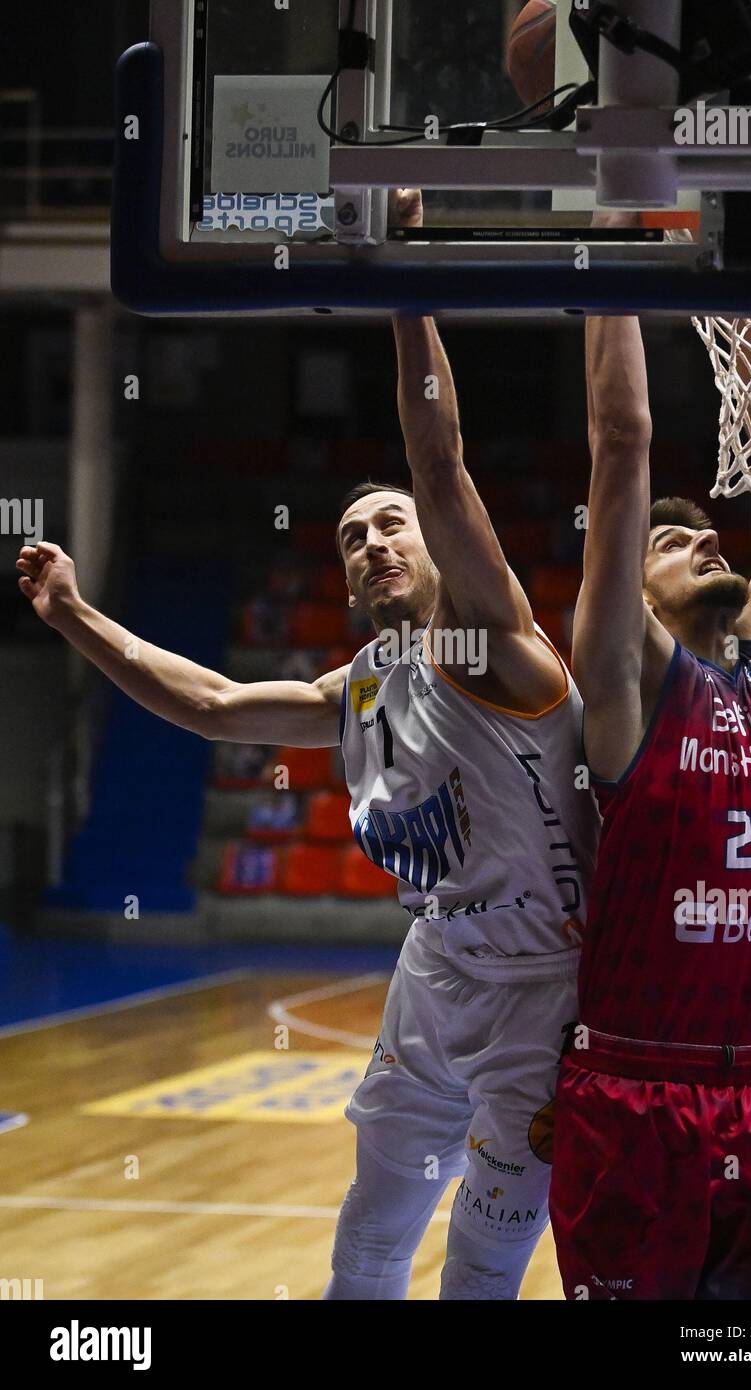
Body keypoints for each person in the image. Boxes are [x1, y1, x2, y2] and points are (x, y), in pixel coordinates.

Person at [18, 191, 599, 1301]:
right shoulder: (359, 686)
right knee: (364, 1254)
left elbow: (437, 458)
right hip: (433, 978)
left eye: (390, 525)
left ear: (440, 550)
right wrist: (73, 616)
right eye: (351, 536)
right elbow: (214, 706)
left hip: (544, 989)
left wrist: (395, 279)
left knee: (479, 1273)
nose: (373, 541)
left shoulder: (493, 645)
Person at [549, 266, 751, 1299]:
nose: (705, 537)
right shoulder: (625, 684)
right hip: (635, 1095)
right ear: (633, 590)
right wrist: (615, 259)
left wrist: (750, 276)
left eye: (707, 533)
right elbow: (620, 442)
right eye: (670, 542)